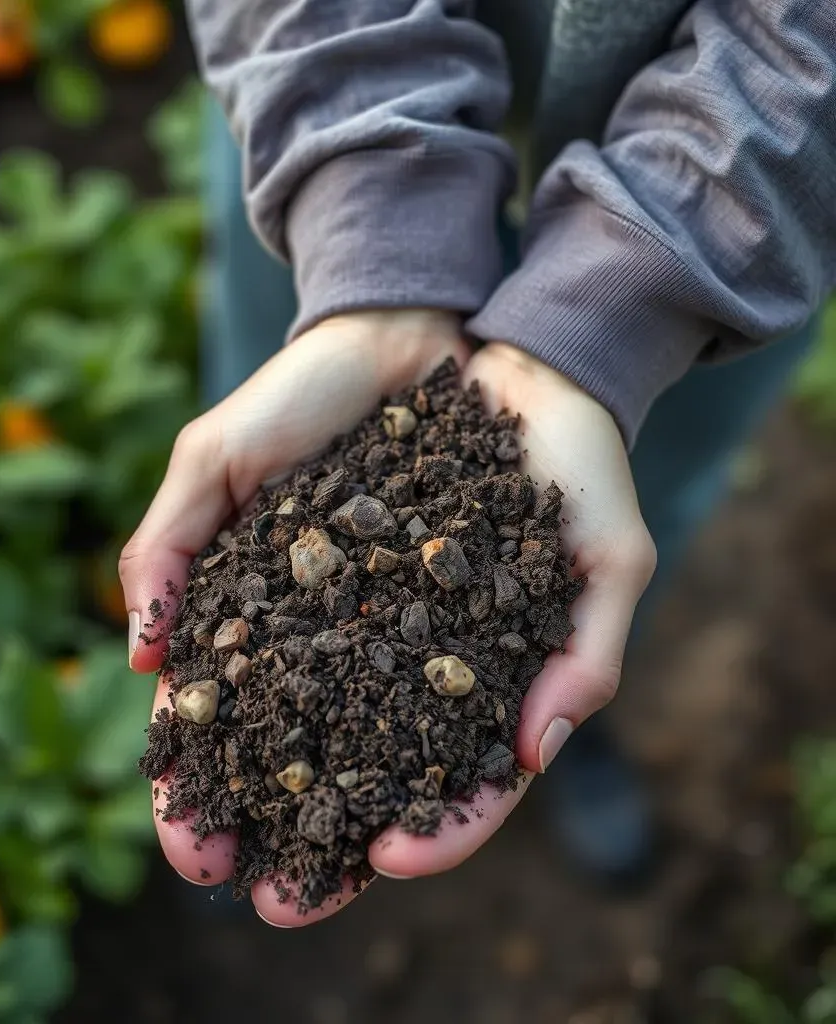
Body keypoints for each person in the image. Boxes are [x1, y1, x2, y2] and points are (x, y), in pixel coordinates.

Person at [119, 0, 835, 928]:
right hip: (323, 106)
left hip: (731, 222)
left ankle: (561, 724)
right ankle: (241, 808)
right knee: (278, 425)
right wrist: (367, 227)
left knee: (620, 514)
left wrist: (628, 309)